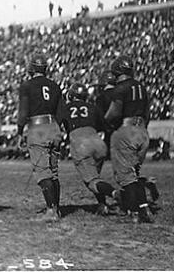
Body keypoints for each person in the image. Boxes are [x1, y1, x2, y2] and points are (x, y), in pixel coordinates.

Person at [104, 56, 154, 223]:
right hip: (142, 131)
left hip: (127, 130)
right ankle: (143, 207)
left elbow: (114, 113)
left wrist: (105, 122)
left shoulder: (120, 88)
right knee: (134, 173)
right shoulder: (141, 87)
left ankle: (135, 211)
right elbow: (147, 113)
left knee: (126, 175)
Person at [57, 83, 118, 216]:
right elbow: (105, 126)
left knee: (92, 181)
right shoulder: (93, 107)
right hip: (98, 143)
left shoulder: (66, 108)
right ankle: (102, 205)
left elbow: (57, 124)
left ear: (71, 95)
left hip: (81, 144)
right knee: (96, 177)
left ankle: (115, 193)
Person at [17, 53, 63, 221]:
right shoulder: (55, 86)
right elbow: (61, 112)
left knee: (43, 171)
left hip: (38, 127)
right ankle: (56, 208)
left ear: (31, 68)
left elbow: (23, 112)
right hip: (54, 126)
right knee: (54, 172)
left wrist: (20, 130)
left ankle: (51, 211)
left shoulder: (27, 86)